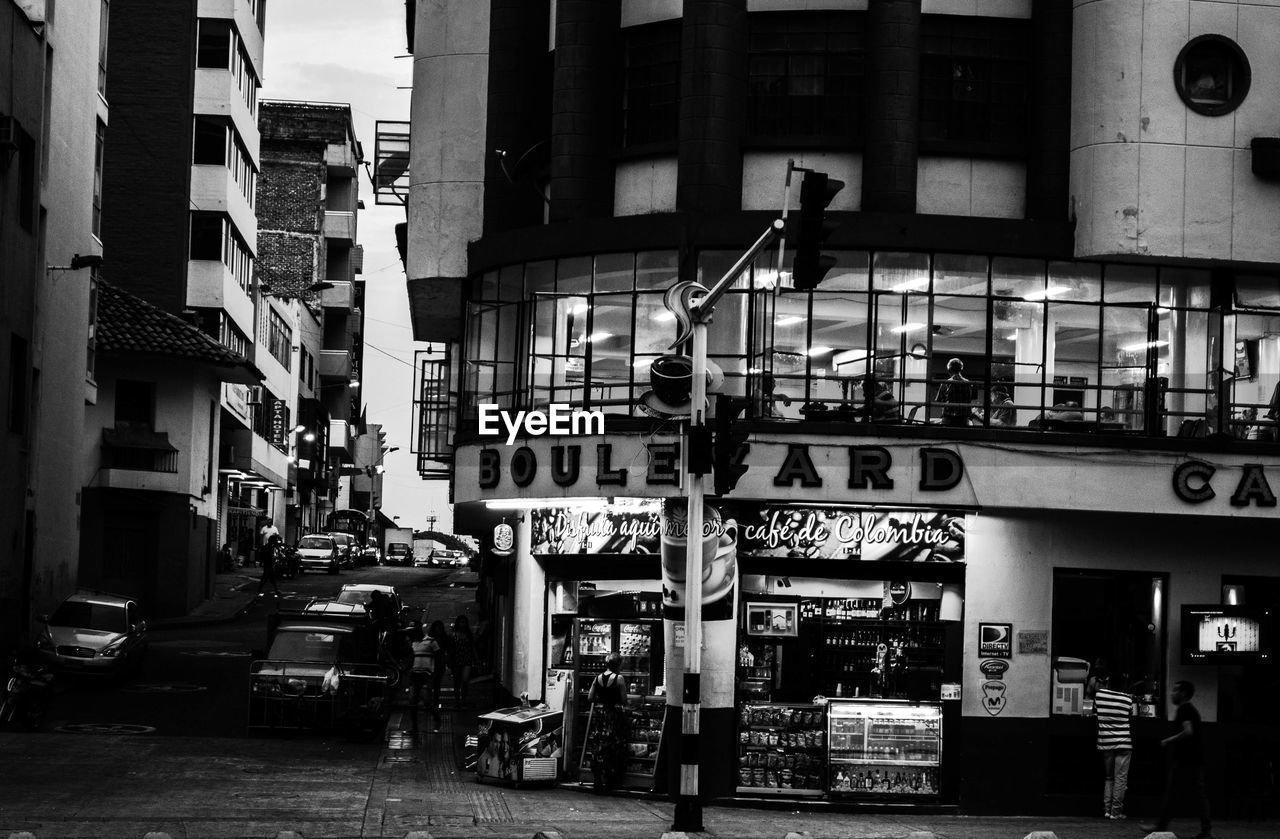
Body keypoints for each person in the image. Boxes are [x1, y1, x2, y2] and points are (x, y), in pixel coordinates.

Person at [1141, 680, 1213, 839]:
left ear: (1183, 693)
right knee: (1194, 795)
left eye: (1175, 690)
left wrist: (1168, 741)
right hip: (1193, 760)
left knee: (1175, 794)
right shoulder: (1189, 710)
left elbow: (1188, 732)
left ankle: (1161, 827)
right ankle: (1206, 831)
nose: (1171, 693)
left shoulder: (1185, 709)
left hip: (1187, 761)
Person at [1092, 668, 1136, 820]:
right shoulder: (1127, 699)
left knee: (1109, 777)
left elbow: (1096, 713)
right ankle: (1115, 812)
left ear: (1109, 682)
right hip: (1123, 743)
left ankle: (1106, 810)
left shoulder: (1099, 695)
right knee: (1120, 779)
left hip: (1106, 743)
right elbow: (1130, 715)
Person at [587, 652, 629, 792]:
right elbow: (624, 700)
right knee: (613, 745)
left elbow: (590, 698)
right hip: (614, 715)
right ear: (618, 665)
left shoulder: (597, 678)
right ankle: (611, 780)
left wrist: (602, 700)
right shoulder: (619, 679)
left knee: (599, 746)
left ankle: (597, 779)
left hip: (601, 715)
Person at [409, 623, 443, 731]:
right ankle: (414, 727)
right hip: (415, 674)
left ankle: (437, 718)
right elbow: (412, 658)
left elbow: (439, 657)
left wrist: (436, 672)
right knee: (412, 701)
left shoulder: (431, 641)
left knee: (427, 701)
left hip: (426, 675)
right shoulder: (413, 643)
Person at [447, 614, 478, 705]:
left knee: (464, 680)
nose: (463, 624)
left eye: (464, 622)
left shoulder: (468, 635)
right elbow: (450, 649)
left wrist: (476, 659)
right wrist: (449, 660)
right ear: (458, 623)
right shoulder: (453, 635)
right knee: (456, 681)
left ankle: (463, 700)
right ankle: (457, 700)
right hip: (456, 660)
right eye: (461, 622)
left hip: (467, 660)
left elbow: (473, 647)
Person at [934, 358, 974, 426]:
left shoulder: (945, 383)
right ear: (961, 369)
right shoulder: (968, 383)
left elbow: (938, 401)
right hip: (964, 420)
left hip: (949, 420)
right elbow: (970, 399)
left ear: (949, 370)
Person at [255, 534, 281, 598]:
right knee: (266, 577)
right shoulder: (268, 547)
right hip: (268, 564)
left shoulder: (269, 547)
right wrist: (273, 558)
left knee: (270, 578)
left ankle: (275, 590)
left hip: (268, 564)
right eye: (275, 541)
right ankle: (260, 590)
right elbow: (269, 556)